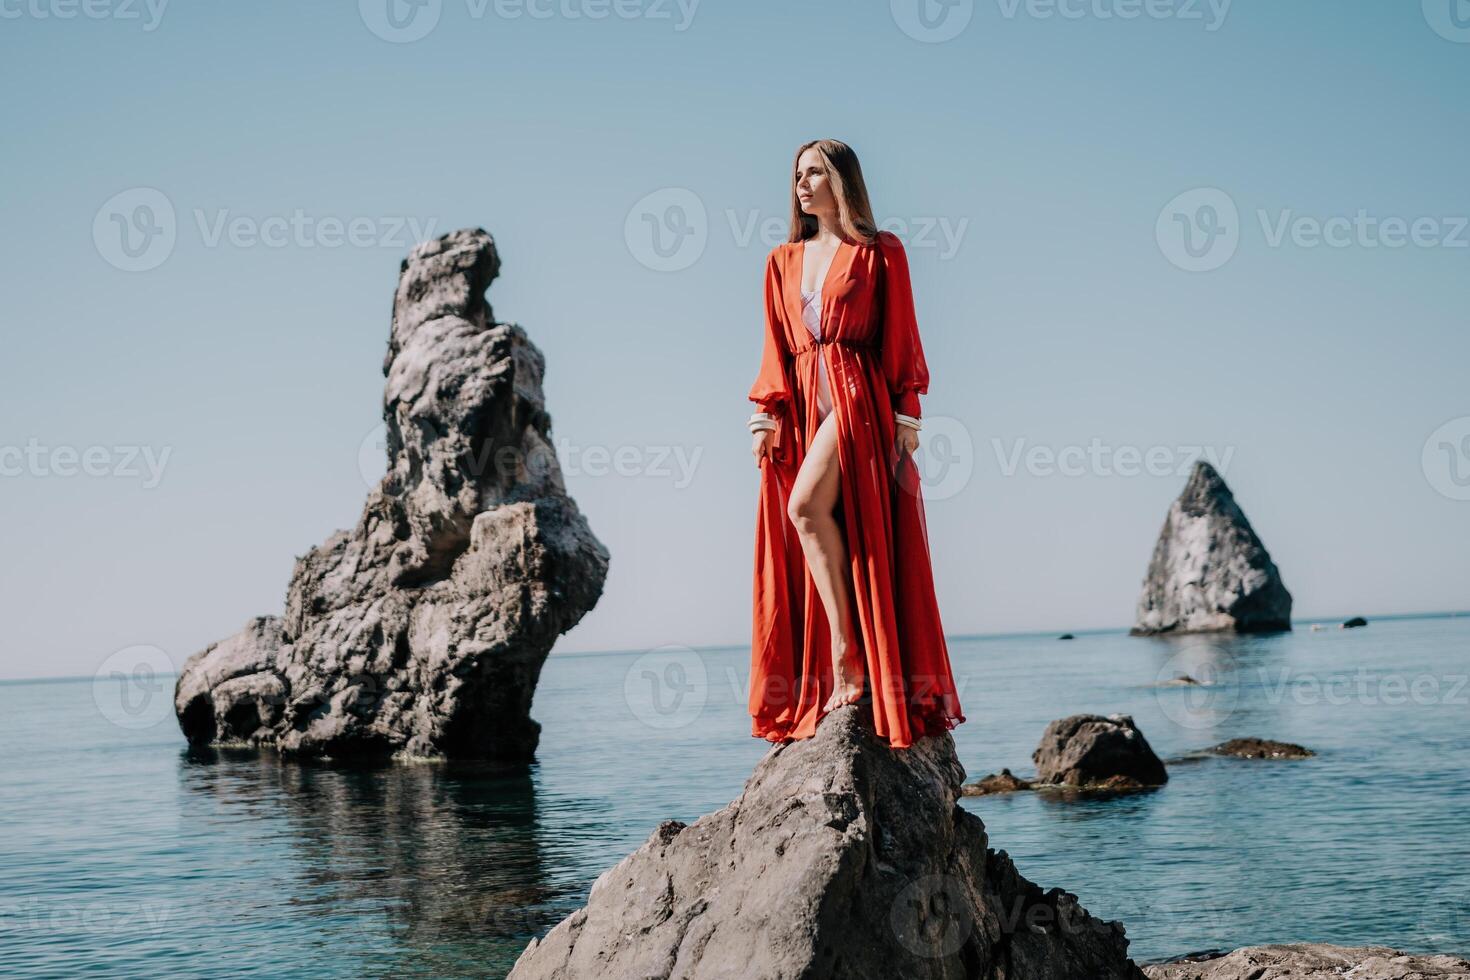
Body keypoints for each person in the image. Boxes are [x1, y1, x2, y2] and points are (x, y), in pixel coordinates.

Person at [746, 138, 966, 751]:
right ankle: (843, 658)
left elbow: (903, 335)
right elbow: (774, 345)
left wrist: (908, 413)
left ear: (843, 180)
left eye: (814, 172)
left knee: (804, 508)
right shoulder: (781, 261)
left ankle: (849, 653)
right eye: (796, 173)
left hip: (858, 398)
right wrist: (766, 413)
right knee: (810, 523)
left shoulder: (880, 252)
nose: (802, 182)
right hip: (802, 403)